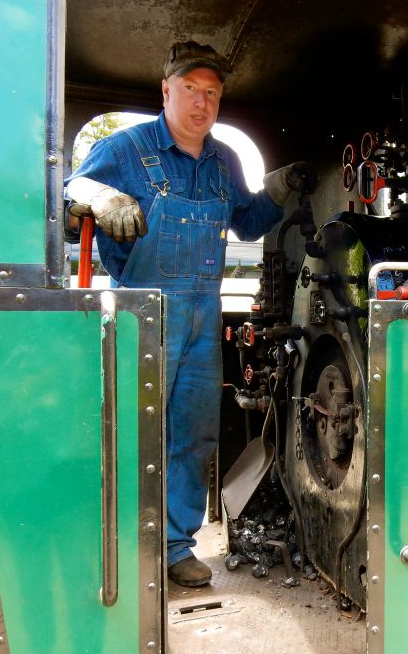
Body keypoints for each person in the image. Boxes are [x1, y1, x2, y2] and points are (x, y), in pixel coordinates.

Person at [65, 41, 317, 587]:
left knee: (195, 434)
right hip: (143, 311)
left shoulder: (223, 160)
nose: (201, 104)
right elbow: (70, 189)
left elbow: (248, 223)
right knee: (133, 429)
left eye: (212, 94)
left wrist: (277, 187)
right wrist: (97, 197)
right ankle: (115, 541)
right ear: (166, 90)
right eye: (190, 90)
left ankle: (173, 545)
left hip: (203, 314)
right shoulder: (127, 148)